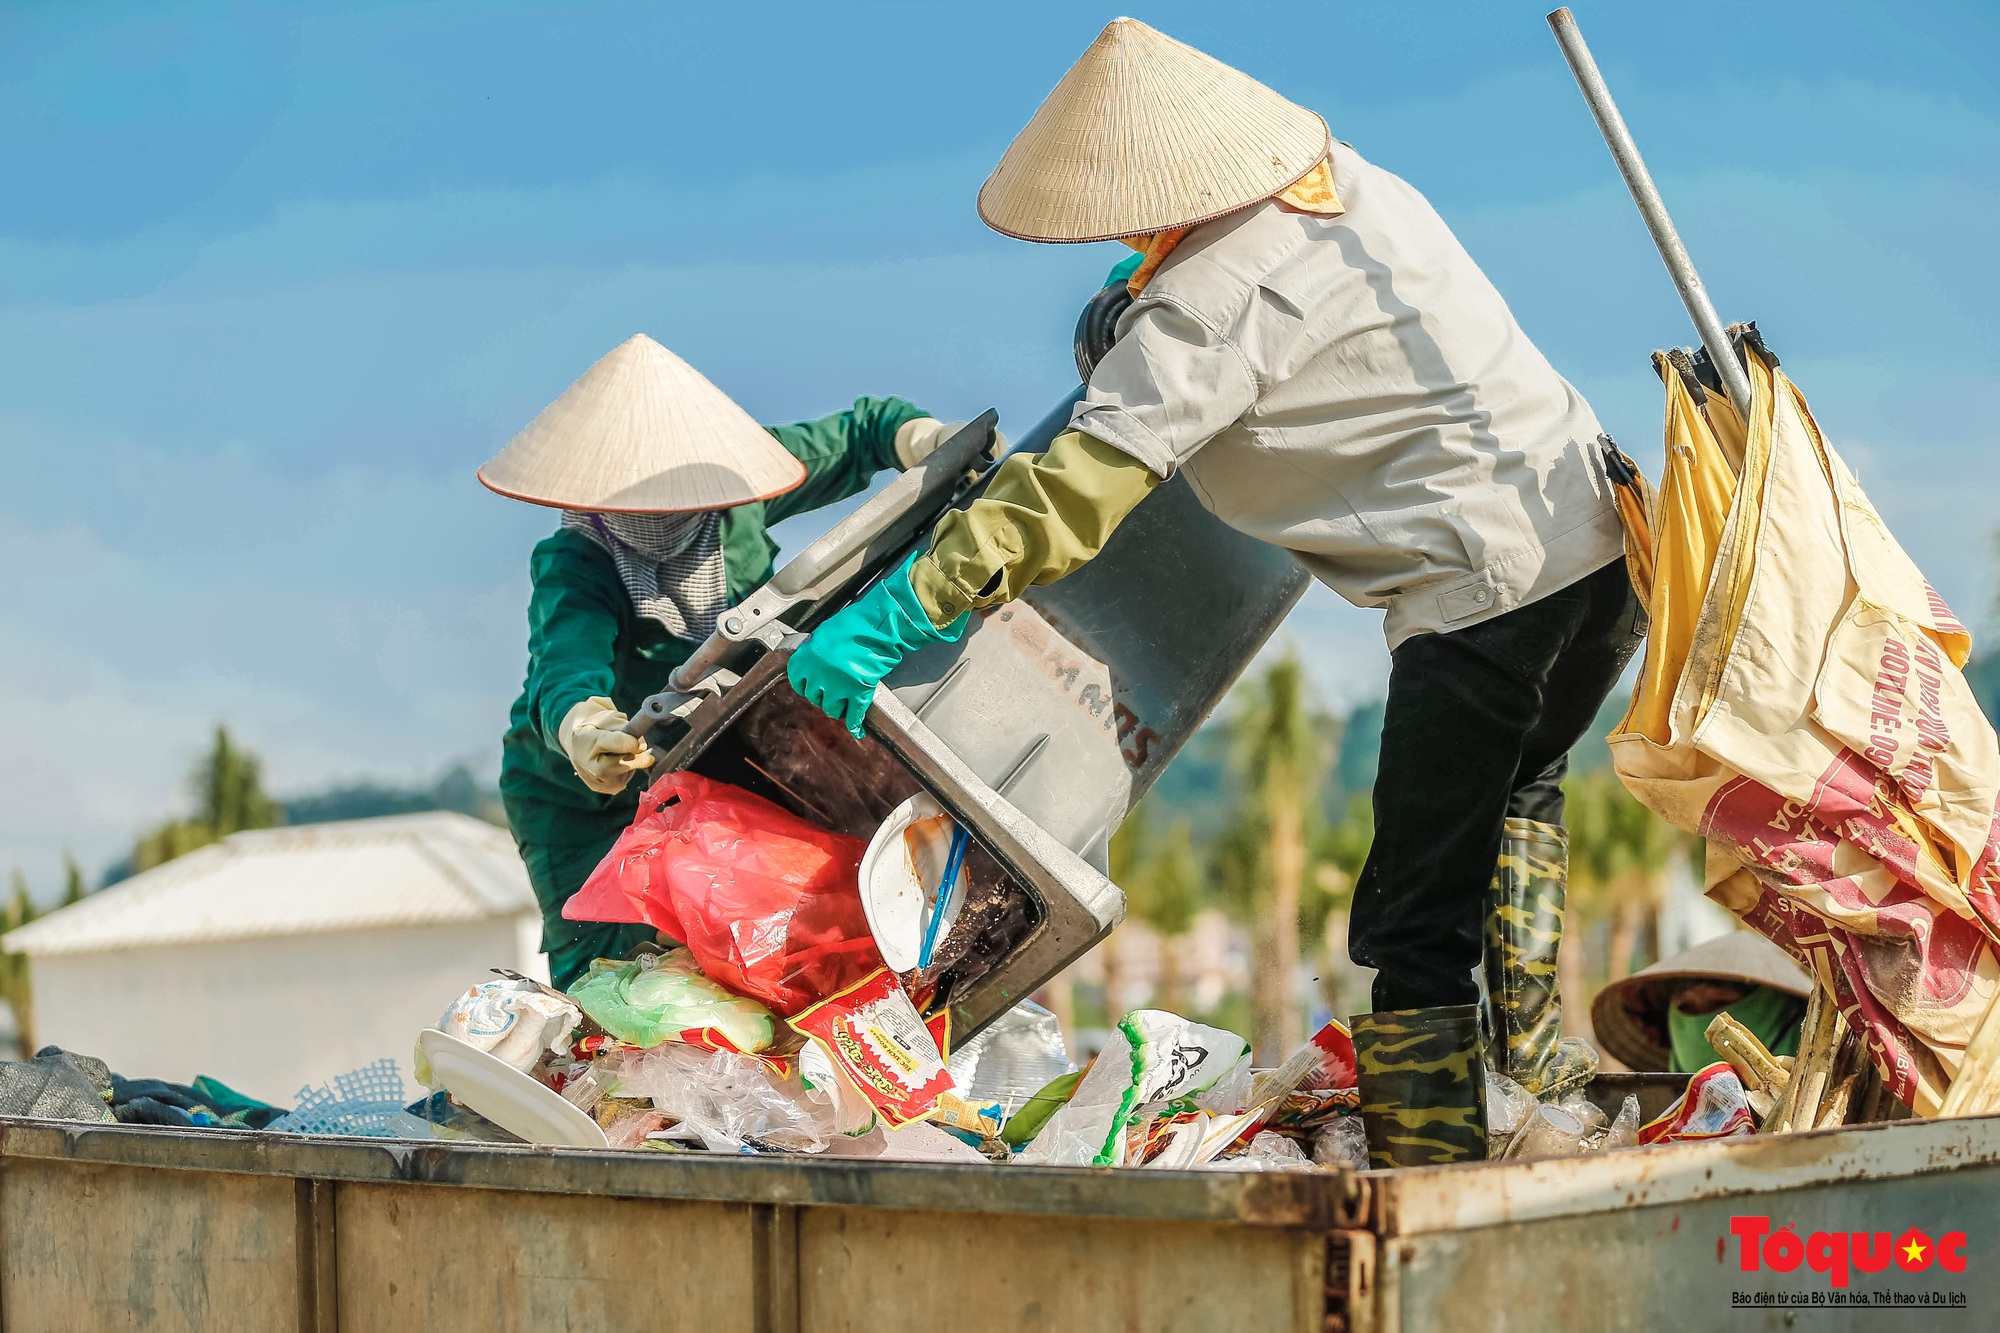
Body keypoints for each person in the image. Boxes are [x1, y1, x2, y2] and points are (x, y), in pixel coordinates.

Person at [787, 20, 1646, 1167]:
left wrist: (894, 614)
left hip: (1484, 590)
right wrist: (1143, 300)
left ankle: (1432, 1168)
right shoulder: (1345, 185)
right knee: (1520, 794)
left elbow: (1071, 493)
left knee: (1412, 918)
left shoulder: (1210, 298)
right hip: (1600, 545)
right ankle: (1535, 1089)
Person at [482, 333, 976, 990]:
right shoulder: (579, 558)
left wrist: (923, 441)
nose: (668, 510)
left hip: (700, 760)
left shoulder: (733, 491)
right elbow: (565, 664)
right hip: (577, 793)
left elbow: (863, 434)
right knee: (606, 972)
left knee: (729, 950)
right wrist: (584, 728)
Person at [1590, 932, 1811, 1075]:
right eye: (1688, 1008)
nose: (1707, 1026)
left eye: (1721, 1003)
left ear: (1781, 1011)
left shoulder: (1829, 1108)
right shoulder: (1654, 1117)